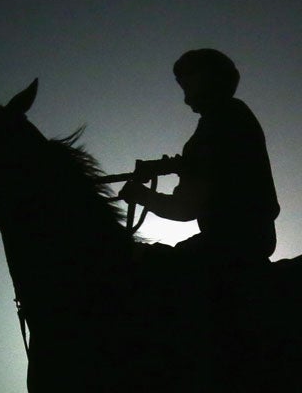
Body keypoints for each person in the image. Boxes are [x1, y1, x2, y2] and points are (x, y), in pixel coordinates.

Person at [119, 49, 280, 267]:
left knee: (146, 264)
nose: (185, 99)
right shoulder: (235, 114)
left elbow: (185, 209)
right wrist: (168, 166)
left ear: (205, 80)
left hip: (228, 243)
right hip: (254, 237)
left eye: (187, 85)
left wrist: (141, 195)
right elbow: (213, 167)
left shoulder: (216, 124)